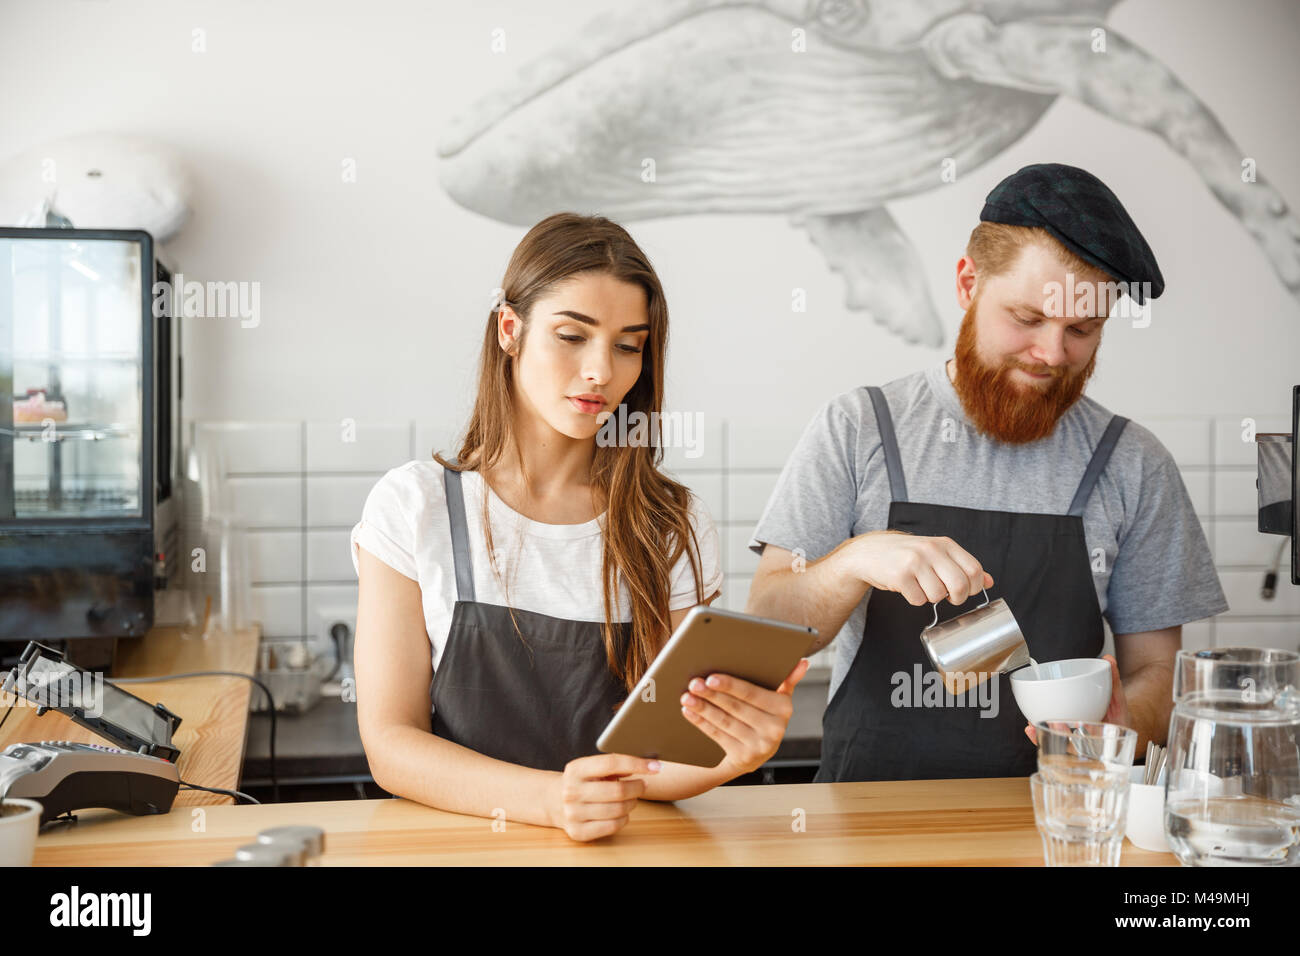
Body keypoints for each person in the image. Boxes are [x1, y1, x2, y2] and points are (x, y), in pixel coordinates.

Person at [745, 163, 1228, 782]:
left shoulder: (1133, 463)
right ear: (968, 283)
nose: (1052, 354)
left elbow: (1161, 672)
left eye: (1081, 329)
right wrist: (853, 561)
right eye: (1027, 318)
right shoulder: (859, 428)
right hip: (864, 820)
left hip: (1054, 820)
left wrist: (1126, 722)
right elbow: (769, 628)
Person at [352, 212, 810, 840]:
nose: (602, 371)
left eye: (628, 345)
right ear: (510, 330)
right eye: (572, 336)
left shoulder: (670, 525)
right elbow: (391, 744)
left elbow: (658, 760)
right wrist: (550, 800)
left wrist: (736, 753)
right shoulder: (413, 507)